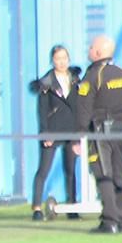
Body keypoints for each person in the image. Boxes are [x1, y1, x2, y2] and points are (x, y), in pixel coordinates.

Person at [72, 34, 122, 234]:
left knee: (103, 173)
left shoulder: (93, 75)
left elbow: (84, 108)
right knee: (119, 173)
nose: (88, 50)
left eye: (91, 47)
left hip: (100, 132)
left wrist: (78, 136)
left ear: (98, 52)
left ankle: (109, 221)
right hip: (121, 129)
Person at [31, 45, 82, 219]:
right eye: (58, 59)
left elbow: (80, 106)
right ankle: (37, 208)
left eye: (64, 58)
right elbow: (42, 110)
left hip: (72, 130)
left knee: (71, 170)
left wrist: (79, 134)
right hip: (53, 130)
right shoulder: (46, 83)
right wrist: (45, 132)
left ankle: (72, 207)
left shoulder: (76, 80)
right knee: (43, 169)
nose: (61, 62)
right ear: (52, 61)